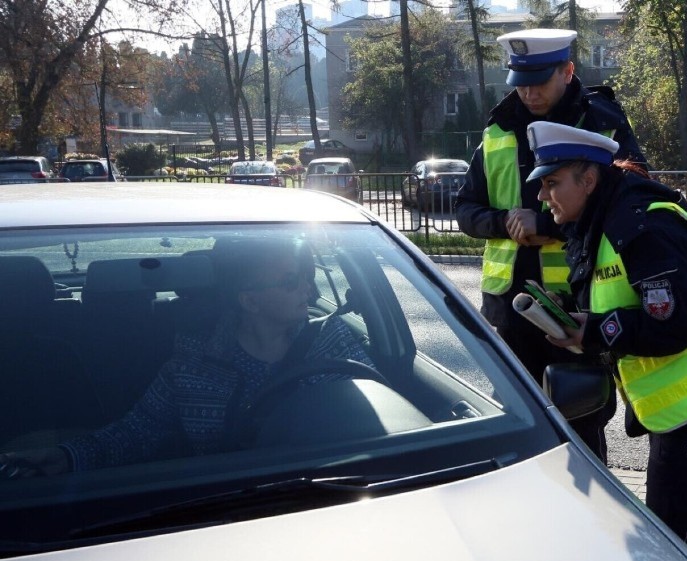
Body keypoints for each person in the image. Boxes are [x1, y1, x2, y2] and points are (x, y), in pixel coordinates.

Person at [525, 120, 687, 561]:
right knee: (685, 538)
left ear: (589, 179)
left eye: (551, 183)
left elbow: (676, 321)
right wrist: (589, 324)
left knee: (674, 545)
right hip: (685, 407)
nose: (542, 196)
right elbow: (626, 301)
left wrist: (596, 331)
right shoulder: (607, 217)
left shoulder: (642, 224)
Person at [0, 238, 375, 477]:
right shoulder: (192, 365)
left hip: (327, 498)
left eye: (307, 276)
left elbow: (376, 423)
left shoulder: (332, 341)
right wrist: (67, 457)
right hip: (211, 513)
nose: (308, 287)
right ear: (249, 301)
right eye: (290, 281)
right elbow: (137, 432)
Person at [454, 28, 646, 462]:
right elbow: (466, 209)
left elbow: (632, 201)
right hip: (512, 307)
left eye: (539, 80)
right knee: (522, 423)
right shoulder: (499, 127)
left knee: (582, 423)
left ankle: (591, 510)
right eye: (519, 81)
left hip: (578, 303)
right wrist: (505, 222)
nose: (528, 92)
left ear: (568, 71)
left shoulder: (602, 121)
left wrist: (546, 224)